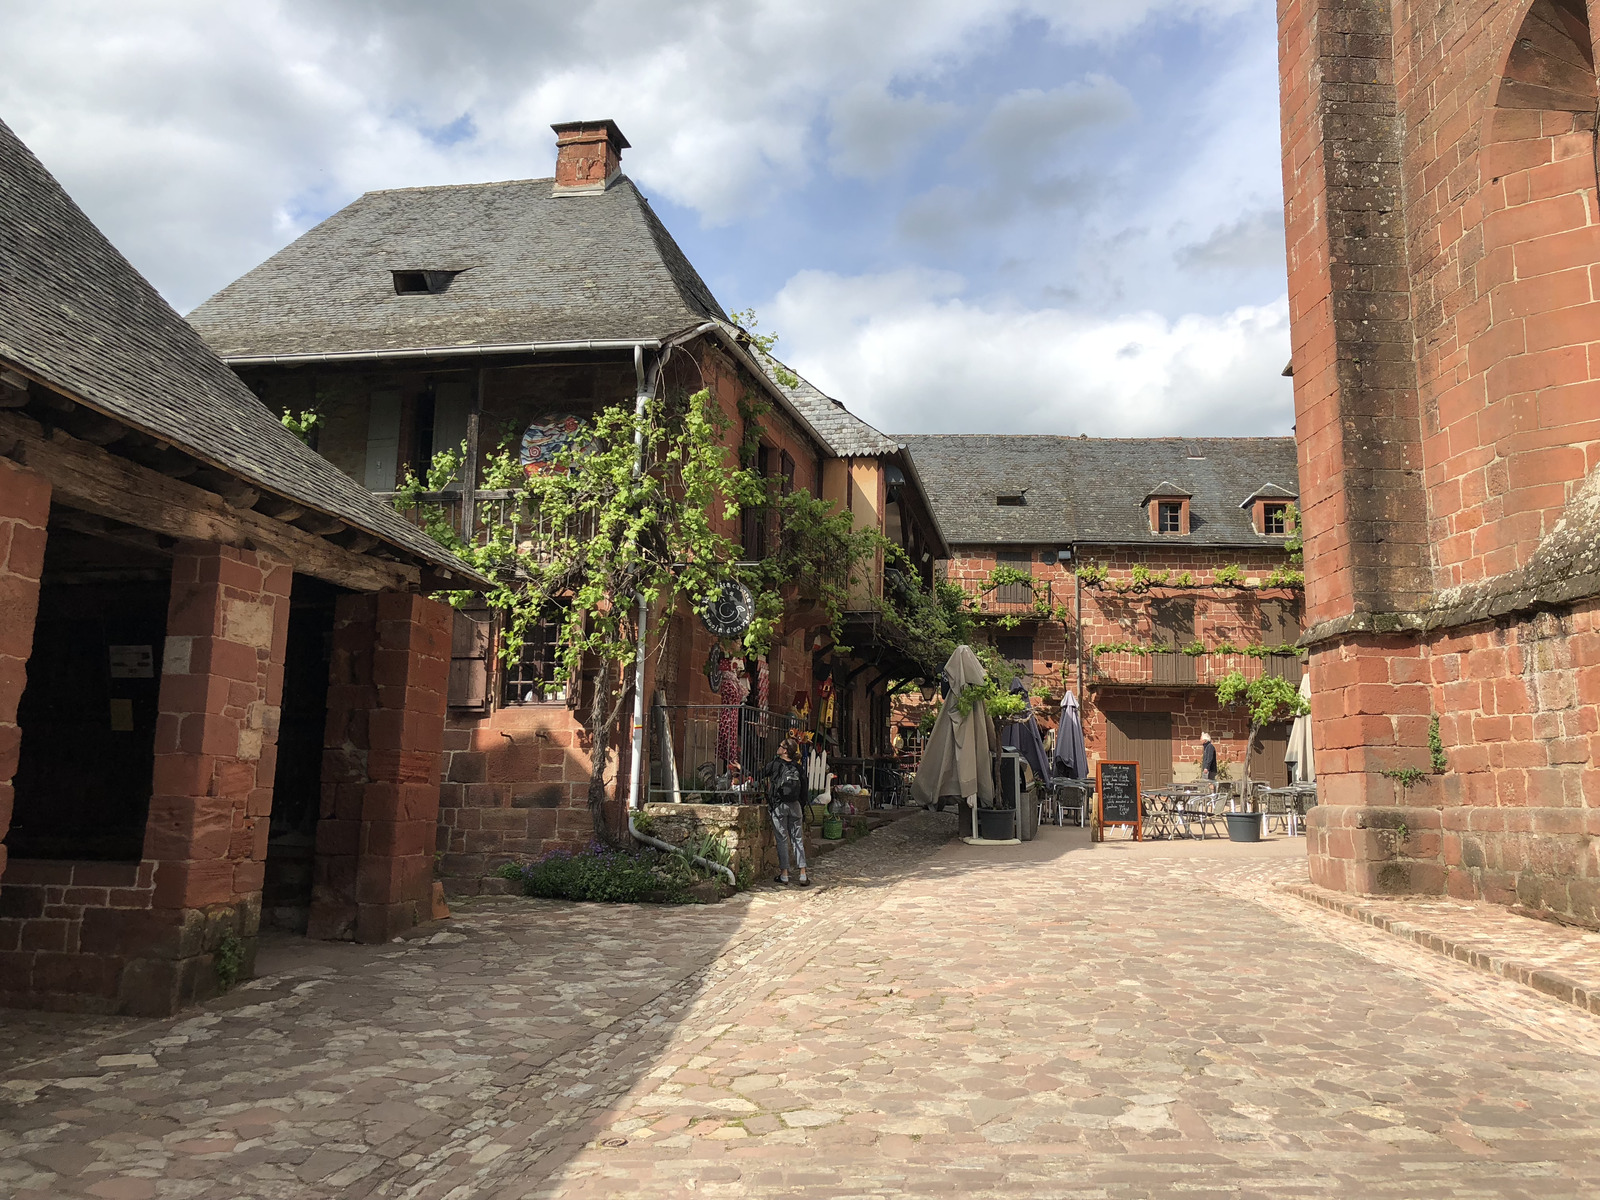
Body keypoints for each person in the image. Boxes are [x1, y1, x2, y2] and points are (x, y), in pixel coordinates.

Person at [764, 738, 810, 886]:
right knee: (797, 839)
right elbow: (804, 789)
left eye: (780, 746)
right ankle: (803, 874)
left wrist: (741, 767)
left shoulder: (776, 764)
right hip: (795, 806)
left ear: (784, 751)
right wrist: (801, 806)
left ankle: (784, 874)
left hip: (779, 805)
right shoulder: (798, 768)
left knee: (782, 840)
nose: (778, 748)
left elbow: (760, 773)